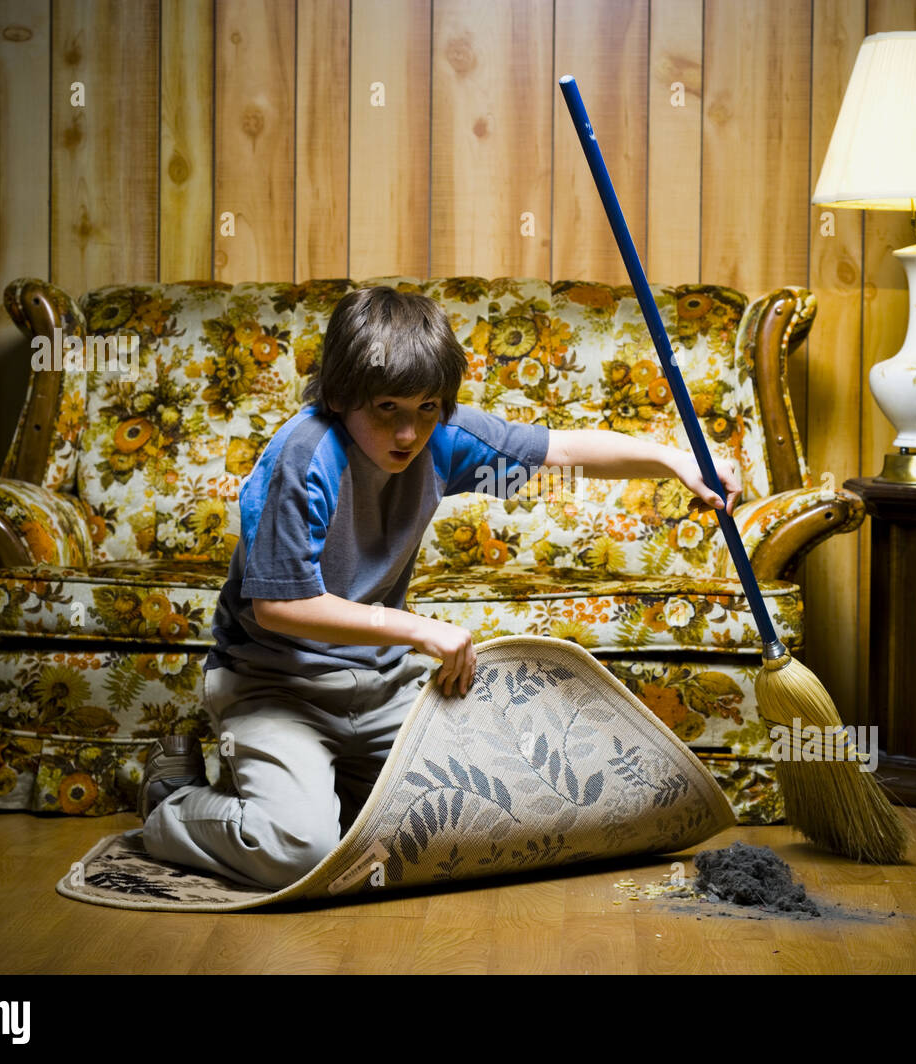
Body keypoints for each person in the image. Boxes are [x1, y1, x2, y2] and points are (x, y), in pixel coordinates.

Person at [138, 285, 741, 890]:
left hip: (380, 688)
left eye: (427, 407)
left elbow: (564, 450)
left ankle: (326, 792)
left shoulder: (443, 437)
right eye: (387, 409)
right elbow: (280, 606)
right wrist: (418, 629)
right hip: (275, 685)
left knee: (492, 809)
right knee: (300, 851)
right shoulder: (304, 455)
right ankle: (172, 802)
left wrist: (677, 459)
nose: (409, 433)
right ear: (343, 394)